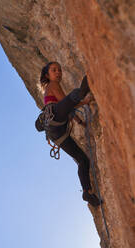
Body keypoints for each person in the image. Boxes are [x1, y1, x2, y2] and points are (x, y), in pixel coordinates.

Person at [39, 61, 100, 207]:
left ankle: (87, 192)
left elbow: (67, 108)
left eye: (59, 70)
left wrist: (80, 122)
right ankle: (92, 70)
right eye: (54, 70)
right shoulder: (52, 85)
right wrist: (85, 101)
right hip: (57, 124)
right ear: (48, 75)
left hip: (56, 133)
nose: (58, 72)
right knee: (76, 94)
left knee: (83, 160)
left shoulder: (51, 88)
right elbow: (68, 102)